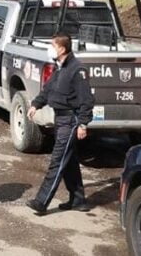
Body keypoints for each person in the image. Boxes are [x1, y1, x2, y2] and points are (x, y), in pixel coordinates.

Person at [26, 33, 95, 214]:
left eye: (53, 45)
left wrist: (83, 124)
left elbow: (86, 100)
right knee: (69, 160)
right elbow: (48, 90)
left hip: (70, 121)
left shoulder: (77, 70)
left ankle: (41, 202)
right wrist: (35, 105)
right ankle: (78, 200)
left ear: (62, 49)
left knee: (57, 161)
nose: (50, 49)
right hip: (60, 119)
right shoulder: (60, 68)